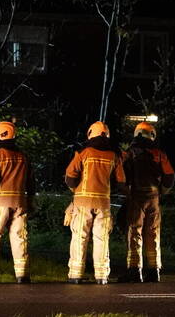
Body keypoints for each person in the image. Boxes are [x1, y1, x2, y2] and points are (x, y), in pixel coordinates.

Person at [65, 121, 127, 285]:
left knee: (80, 237)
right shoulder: (114, 155)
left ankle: (75, 274)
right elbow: (121, 182)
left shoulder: (84, 152)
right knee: (102, 239)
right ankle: (102, 275)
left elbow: (70, 176)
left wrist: (76, 191)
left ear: (90, 133)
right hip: (104, 203)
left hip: (83, 202)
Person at [0, 121, 35, 284]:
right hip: (20, 203)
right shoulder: (23, 156)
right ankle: (22, 275)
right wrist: (30, 201)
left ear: (0, 135)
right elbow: (31, 182)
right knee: (19, 238)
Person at [118, 121, 175, 283]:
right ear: (152, 135)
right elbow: (170, 177)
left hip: (136, 197)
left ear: (136, 134)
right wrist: (161, 191)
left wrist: (126, 192)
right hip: (154, 199)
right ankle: (154, 270)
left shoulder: (129, 153)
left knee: (134, 232)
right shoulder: (160, 154)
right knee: (153, 233)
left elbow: (121, 175)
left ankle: (135, 271)